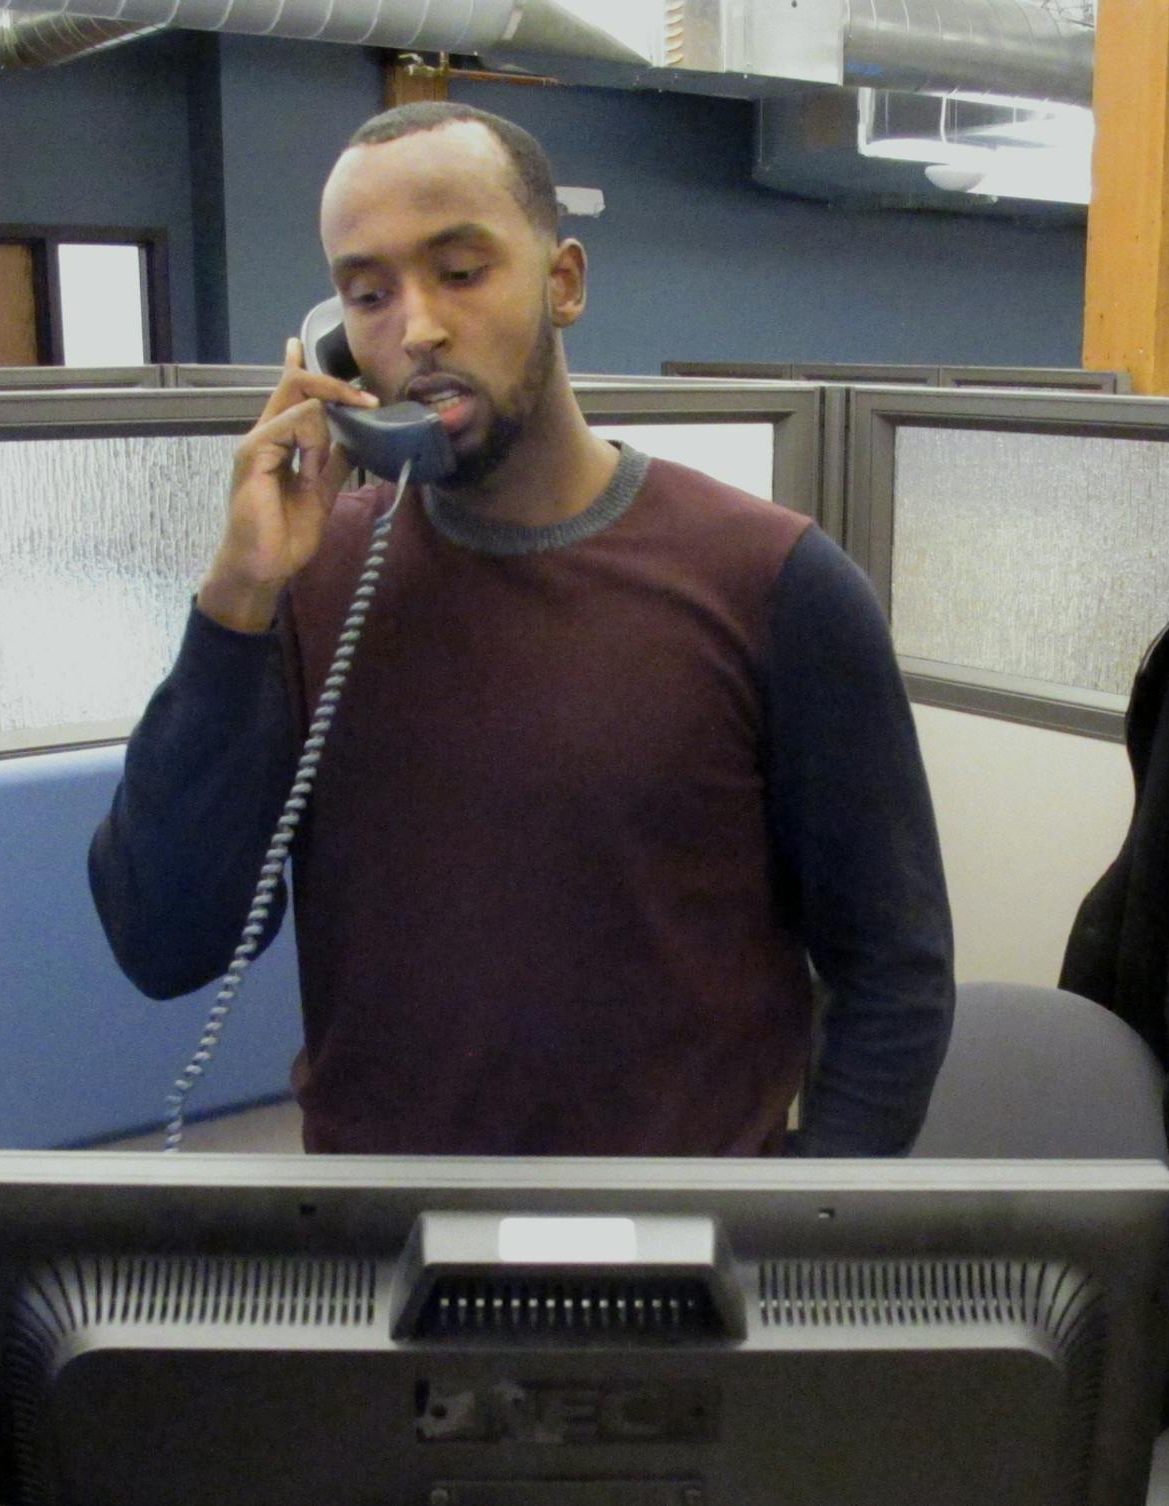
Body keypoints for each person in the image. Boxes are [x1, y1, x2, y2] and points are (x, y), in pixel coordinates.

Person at [89, 101, 953, 1156]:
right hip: (391, 1259)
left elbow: (895, 977)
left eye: (460, 272)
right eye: (368, 293)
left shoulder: (773, 583)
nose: (416, 330)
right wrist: (235, 602)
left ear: (565, 282)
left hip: (684, 1266)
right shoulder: (311, 589)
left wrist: (795, 1243)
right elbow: (165, 943)